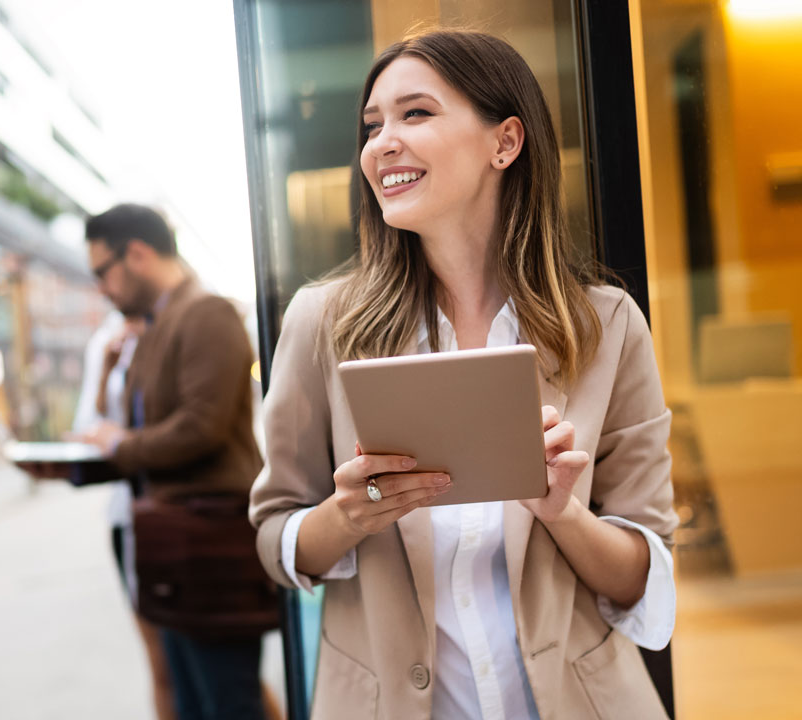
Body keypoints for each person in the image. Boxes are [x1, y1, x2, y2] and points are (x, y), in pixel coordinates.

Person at [249, 30, 677, 720]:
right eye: (373, 124)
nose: (382, 142)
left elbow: (643, 575)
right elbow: (275, 537)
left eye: (415, 113)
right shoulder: (321, 323)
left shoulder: (606, 325)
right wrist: (348, 515)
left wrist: (559, 509)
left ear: (504, 143)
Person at [80, 204, 272, 720]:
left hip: (207, 540)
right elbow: (132, 423)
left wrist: (121, 446)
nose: (102, 287)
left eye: (102, 271)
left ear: (137, 254)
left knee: (227, 701)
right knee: (193, 697)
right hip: (176, 538)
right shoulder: (157, 322)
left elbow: (200, 427)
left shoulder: (205, 312)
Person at [70, 310, 177, 720]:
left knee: (208, 663)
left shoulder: (179, 322)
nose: (105, 288)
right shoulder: (107, 340)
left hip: (183, 511)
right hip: (130, 516)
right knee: (161, 663)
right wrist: (106, 372)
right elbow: (88, 427)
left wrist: (124, 443)